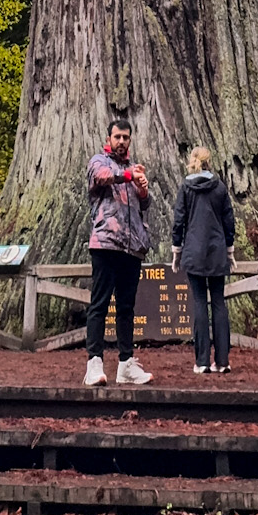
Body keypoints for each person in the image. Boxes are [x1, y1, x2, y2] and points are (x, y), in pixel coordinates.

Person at [84, 119, 153, 387]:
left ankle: (126, 363)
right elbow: (99, 178)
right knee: (99, 304)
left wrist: (143, 191)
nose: (121, 141)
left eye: (126, 137)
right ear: (109, 138)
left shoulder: (132, 168)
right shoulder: (100, 161)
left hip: (131, 246)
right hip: (106, 242)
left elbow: (142, 204)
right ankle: (94, 363)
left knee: (126, 307)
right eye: (117, 137)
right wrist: (127, 176)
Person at [171, 146, 237, 374]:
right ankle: (222, 361)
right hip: (217, 250)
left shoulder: (186, 187)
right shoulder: (219, 188)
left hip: (193, 251)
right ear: (210, 161)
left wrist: (176, 250)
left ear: (192, 161)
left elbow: (179, 220)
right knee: (218, 301)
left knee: (199, 302)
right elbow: (229, 219)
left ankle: (201, 361)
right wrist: (230, 249)